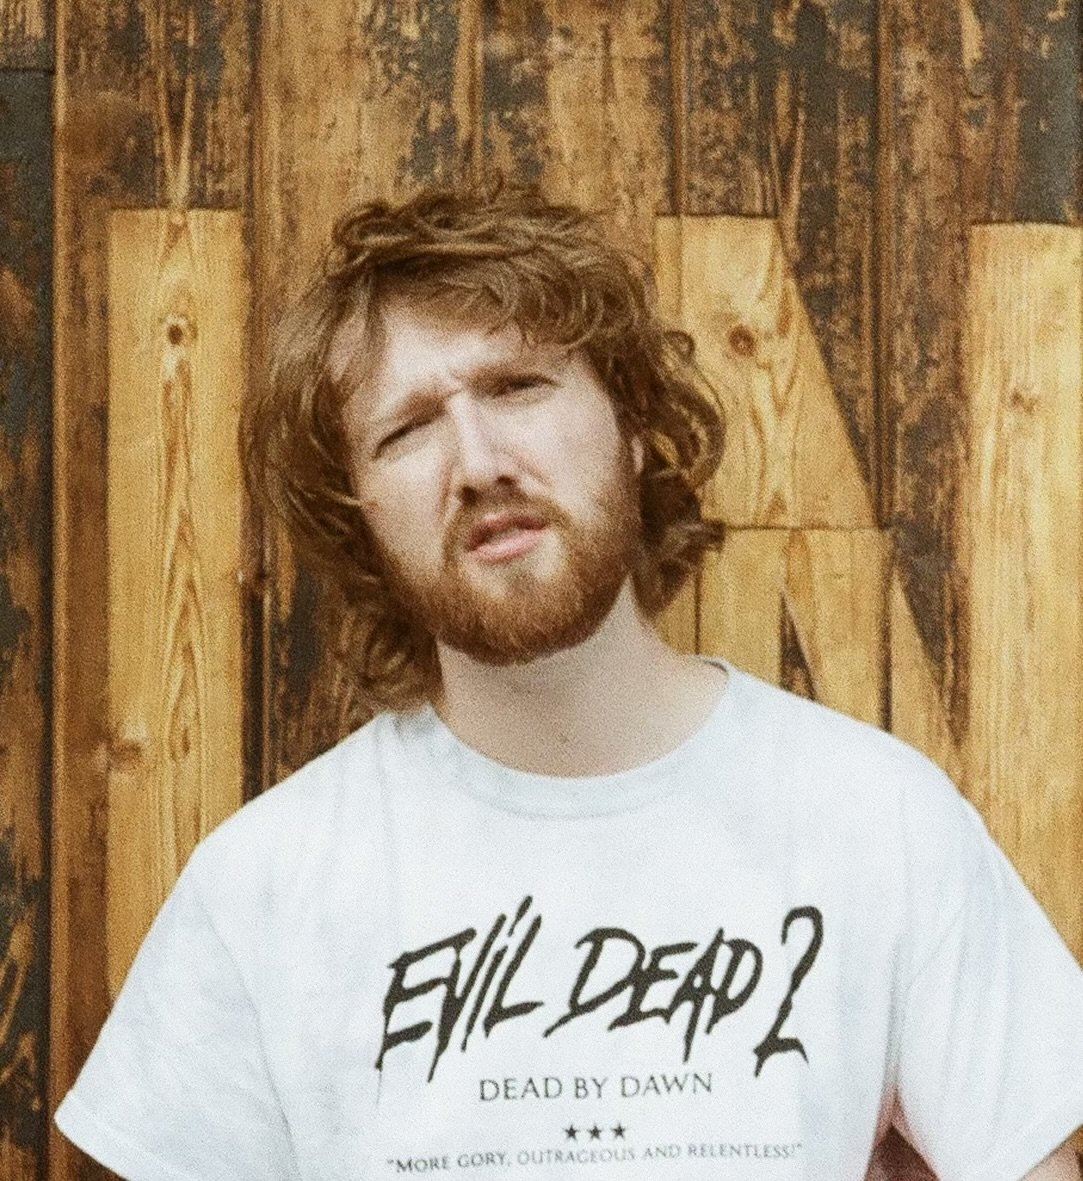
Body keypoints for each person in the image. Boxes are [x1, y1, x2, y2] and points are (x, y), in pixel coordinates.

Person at [55, 182, 1083, 1181]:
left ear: (632, 426)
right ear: (358, 513)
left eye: (517, 387)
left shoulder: (878, 821)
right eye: (405, 430)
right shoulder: (263, 887)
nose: (476, 461)